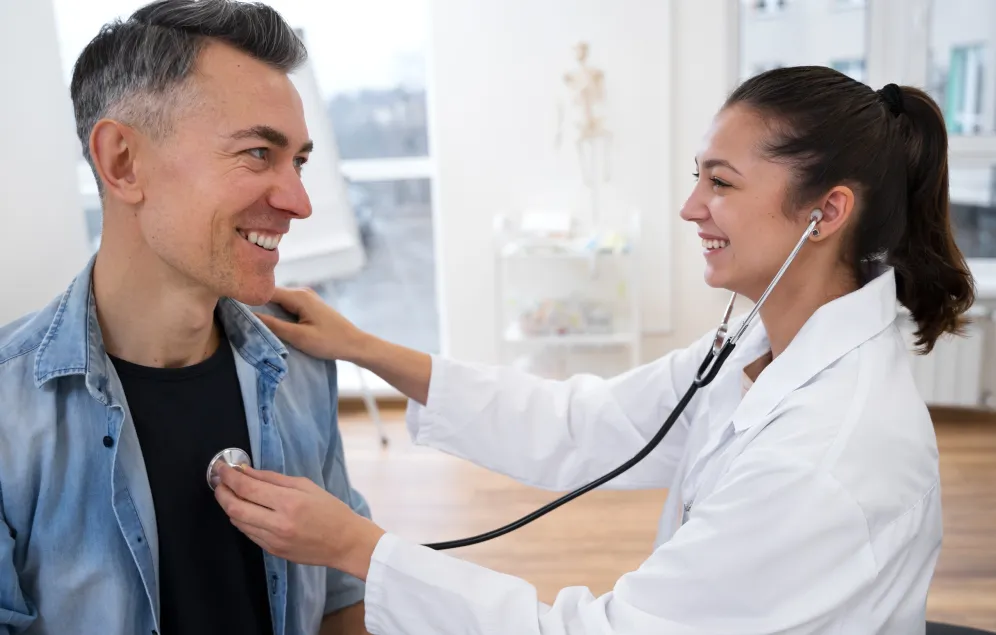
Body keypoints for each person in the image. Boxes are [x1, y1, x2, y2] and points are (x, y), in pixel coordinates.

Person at [213, 66, 976, 634]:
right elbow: (582, 423)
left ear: (826, 212)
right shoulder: (762, 348)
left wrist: (358, 547)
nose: (690, 206)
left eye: (722, 181)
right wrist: (366, 348)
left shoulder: (825, 457)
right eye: (696, 176)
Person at [0, 1, 372, 634]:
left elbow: (341, 598)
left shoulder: (300, 369)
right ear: (122, 162)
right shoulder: (9, 415)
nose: (300, 202)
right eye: (258, 153)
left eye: (299, 162)